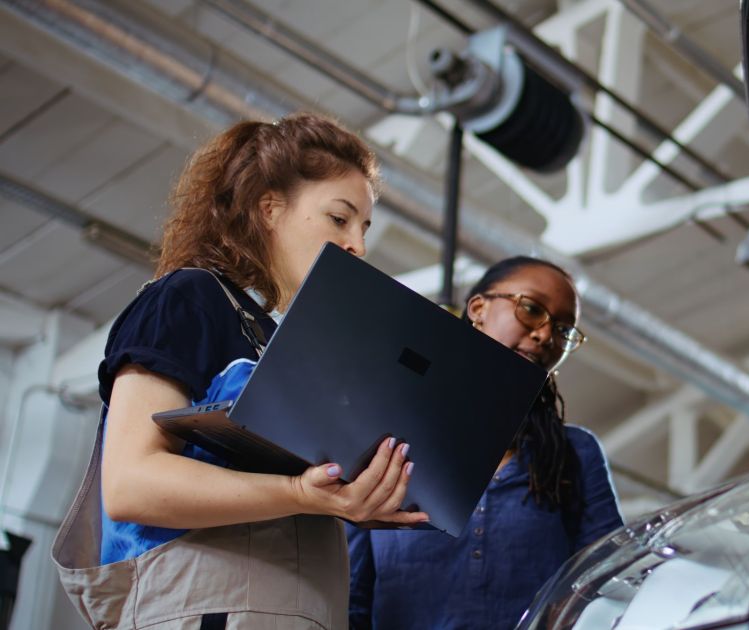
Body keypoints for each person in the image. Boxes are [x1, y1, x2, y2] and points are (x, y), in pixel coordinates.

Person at [52, 112, 427, 630]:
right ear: (270, 209)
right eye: (339, 219)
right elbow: (131, 483)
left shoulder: (287, 346)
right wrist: (299, 494)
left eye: (363, 227)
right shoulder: (189, 298)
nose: (358, 246)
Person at [347, 257, 624, 630]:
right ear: (478, 308)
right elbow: (352, 600)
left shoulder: (573, 453)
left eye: (562, 330)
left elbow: (608, 586)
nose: (545, 334)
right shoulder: (388, 443)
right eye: (531, 309)